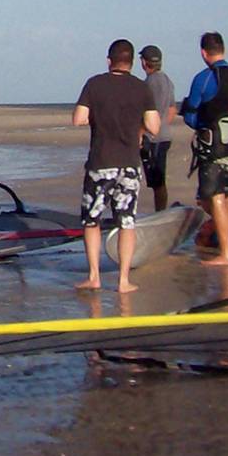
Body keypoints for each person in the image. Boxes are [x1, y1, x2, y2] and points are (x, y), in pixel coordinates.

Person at [72, 39, 161, 294]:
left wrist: (96, 115)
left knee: (92, 220)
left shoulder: (95, 84)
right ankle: (123, 280)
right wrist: (139, 128)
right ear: (132, 62)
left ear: (109, 60)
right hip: (129, 164)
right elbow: (154, 127)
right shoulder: (141, 88)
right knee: (126, 221)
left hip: (101, 162)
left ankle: (94, 276)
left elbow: (79, 118)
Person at [180, 32, 228, 267]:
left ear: (203, 52)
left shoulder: (204, 78)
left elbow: (191, 116)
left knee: (217, 197)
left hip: (214, 145)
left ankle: (227, 253)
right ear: (223, 49)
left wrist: (196, 119)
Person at [137, 45, 175, 212]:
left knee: (157, 180)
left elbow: (149, 113)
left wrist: (142, 133)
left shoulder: (149, 83)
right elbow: (172, 109)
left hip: (153, 138)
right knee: (157, 180)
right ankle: (160, 210)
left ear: (145, 63)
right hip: (163, 135)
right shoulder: (167, 80)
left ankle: (160, 212)